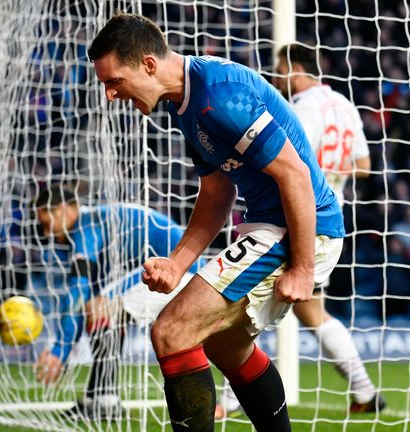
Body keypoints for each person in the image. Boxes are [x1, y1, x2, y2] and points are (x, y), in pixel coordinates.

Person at [88, 13, 345, 432]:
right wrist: (176, 262)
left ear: (148, 65)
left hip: (298, 229)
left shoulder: (218, 96)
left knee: (172, 330)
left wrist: (302, 269)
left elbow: (295, 173)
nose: (111, 95)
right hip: (271, 226)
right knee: (227, 345)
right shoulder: (185, 106)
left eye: (114, 80)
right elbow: (216, 195)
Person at [217, 43, 384, 418]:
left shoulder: (302, 108)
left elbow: (291, 162)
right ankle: (364, 389)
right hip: (331, 222)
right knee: (312, 314)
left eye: (279, 70)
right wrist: (331, 173)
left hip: (295, 219)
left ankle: (228, 401)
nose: (277, 78)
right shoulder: (344, 104)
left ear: (294, 69)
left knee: (241, 300)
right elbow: (365, 164)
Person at [32, 184, 203, 420]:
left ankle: (105, 399)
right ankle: (97, 396)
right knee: (99, 306)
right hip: (177, 269)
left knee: (100, 307)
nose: (45, 233)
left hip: (181, 271)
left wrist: (60, 350)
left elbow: (78, 291)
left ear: (62, 210)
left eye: (45, 223)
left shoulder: (88, 225)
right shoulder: (98, 222)